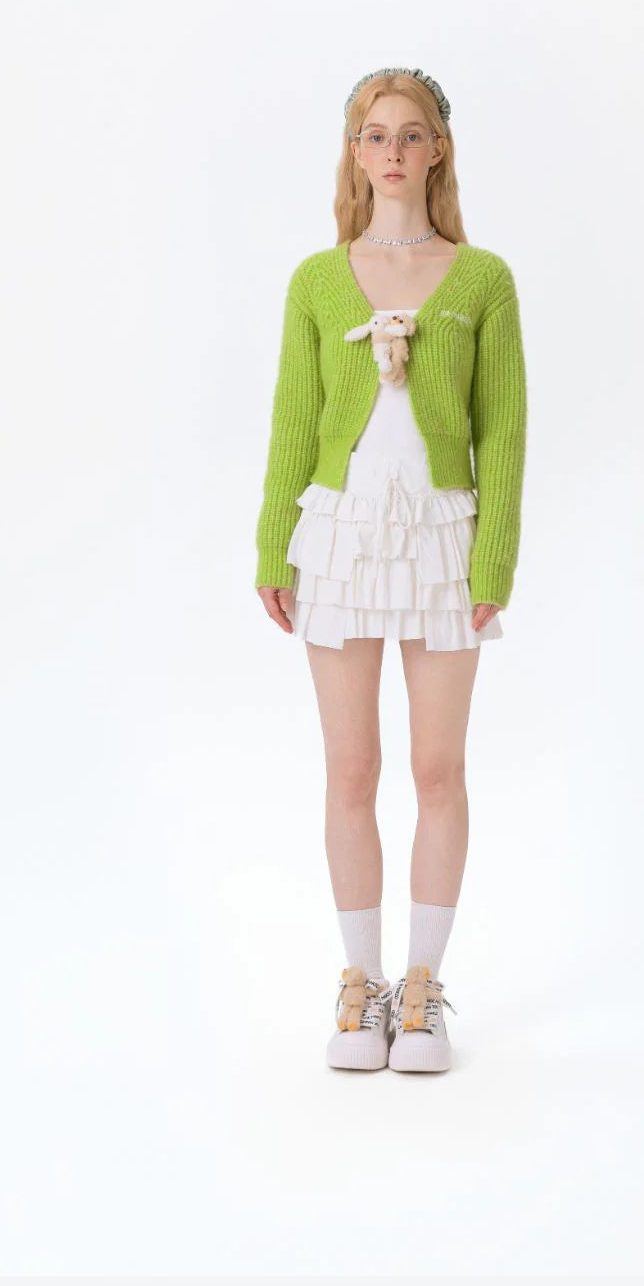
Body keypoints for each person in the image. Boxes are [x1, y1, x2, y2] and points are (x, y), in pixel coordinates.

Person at [254, 67, 527, 1072]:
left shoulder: (482, 278)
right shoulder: (317, 281)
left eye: (412, 134)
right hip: (336, 541)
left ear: (438, 148)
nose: (395, 151)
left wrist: (494, 556)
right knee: (352, 769)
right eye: (376, 135)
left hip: (446, 542)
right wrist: (272, 544)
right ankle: (359, 984)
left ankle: (421, 992)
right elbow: (293, 423)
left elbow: (504, 433)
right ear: (355, 152)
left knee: (438, 768)